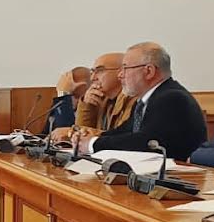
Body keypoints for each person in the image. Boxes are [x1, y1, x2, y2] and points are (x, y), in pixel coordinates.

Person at [74, 42, 207, 159]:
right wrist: (89, 138)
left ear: (149, 71)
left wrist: (93, 144)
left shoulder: (172, 98)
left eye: (125, 68)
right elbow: (125, 132)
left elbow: (145, 141)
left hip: (179, 175)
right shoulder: (145, 100)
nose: (120, 75)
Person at [51, 52, 135, 143]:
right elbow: (81, 141)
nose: (93, 78)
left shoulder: (133, 99)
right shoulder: (100, 99)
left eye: (100, 70)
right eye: (92, 72)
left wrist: (71, 132)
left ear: (121, 71)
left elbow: (121, 138)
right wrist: (87, 106)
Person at [44, 66, 91, 133]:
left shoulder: (90, 109)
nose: (70, 100)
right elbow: (46, 134)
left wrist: (63, 93)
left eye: (74, 96)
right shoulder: (62, 103)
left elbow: (64, 131)